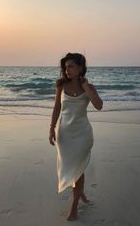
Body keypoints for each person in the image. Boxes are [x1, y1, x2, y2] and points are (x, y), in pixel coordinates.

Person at [49, 52, 103, 221]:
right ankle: (81, 192)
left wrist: (87, 88)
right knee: (73, 166)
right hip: (64, 133)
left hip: (82, 134)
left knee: (78, 168)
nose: (67, 70)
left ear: (80, 68)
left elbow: (99, 106)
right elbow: (57, 108)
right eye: (65, 67)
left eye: (71, 66)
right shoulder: (60, 85)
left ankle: (74, 206)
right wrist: (51, 128)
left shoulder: (90, 87)